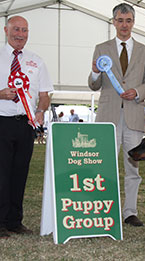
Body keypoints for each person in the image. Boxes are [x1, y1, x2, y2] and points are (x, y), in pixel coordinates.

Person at [88, 3, 145, 226]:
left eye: (128, 21)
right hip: (108, 117)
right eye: (120, 20)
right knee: (104, 165)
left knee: (133, 169)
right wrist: (95, 72)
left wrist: (137, 91)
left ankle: (130, 212)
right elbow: (93, 85)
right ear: (113, 22)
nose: (124, 25)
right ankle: (103, 208)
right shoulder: (101, 48)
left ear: (133, 22)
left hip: (134, 117)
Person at [0, 16, 53, 238]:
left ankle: (15, 221)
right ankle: (0, 222)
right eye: (16, 29)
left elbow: (44, 94)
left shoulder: (37, 61)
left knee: (20, 173)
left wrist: (40, 111)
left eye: (24, 30)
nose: (20, 34)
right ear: (6, 30)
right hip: (2, 121)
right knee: (2, 174)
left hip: (25, 124)